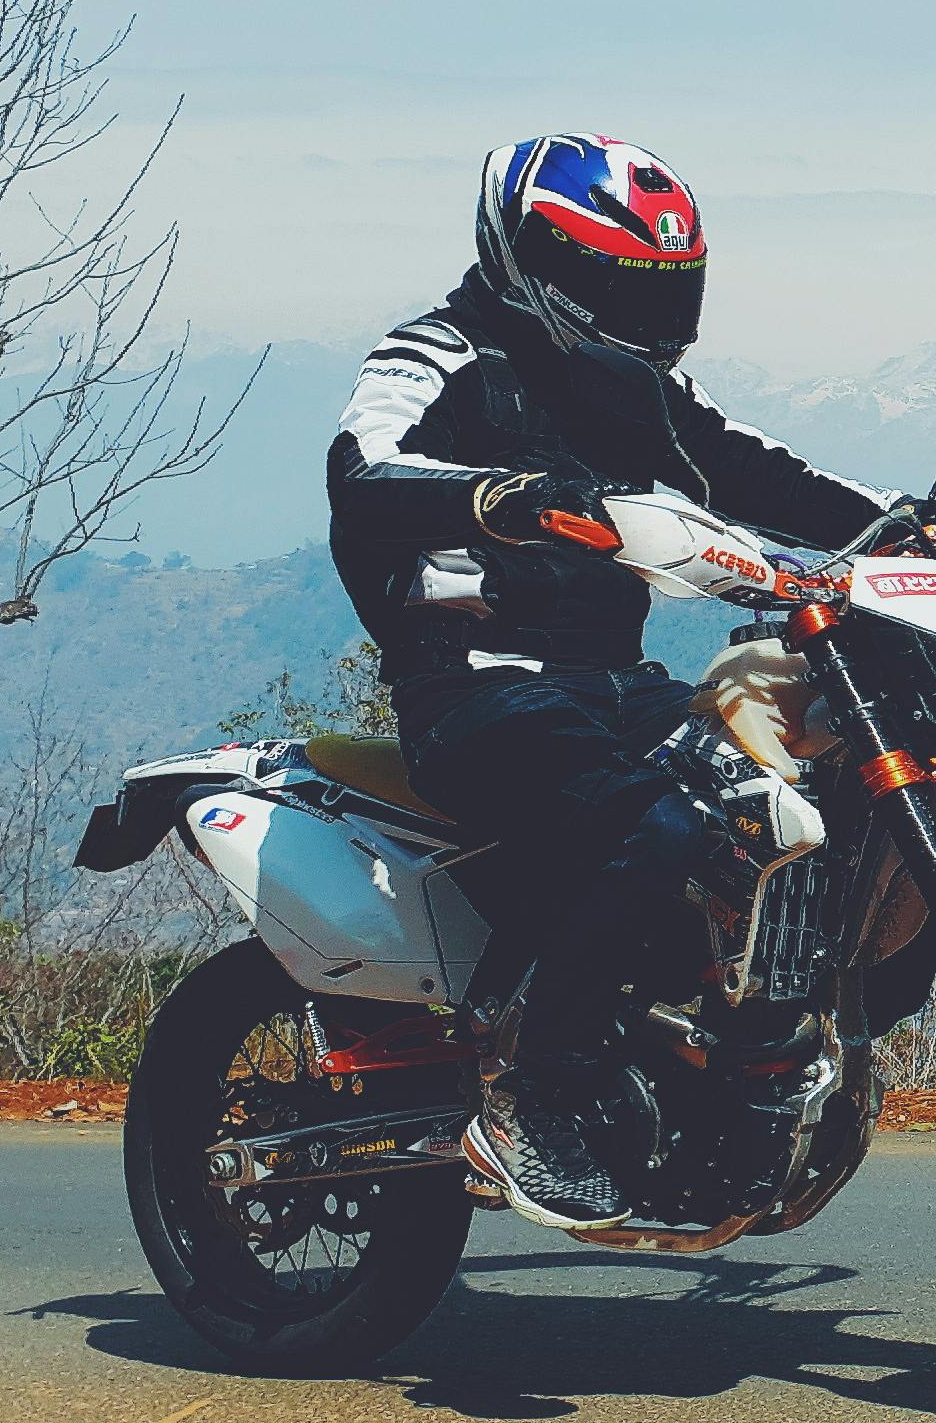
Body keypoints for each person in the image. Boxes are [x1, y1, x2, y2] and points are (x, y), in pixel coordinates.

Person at [328, 133, 891, 1229]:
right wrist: (500, 496)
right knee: (664, 830)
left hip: (612, 683)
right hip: (476, 689)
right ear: (534, 261)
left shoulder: (634, 388)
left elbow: (757, 469)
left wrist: (908, 527)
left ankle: (735, 1068)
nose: (645, 309)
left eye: (664, 284)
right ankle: (537, 1092)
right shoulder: (435, 352)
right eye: (615, 280)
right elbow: (365, 466)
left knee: (784, 813)